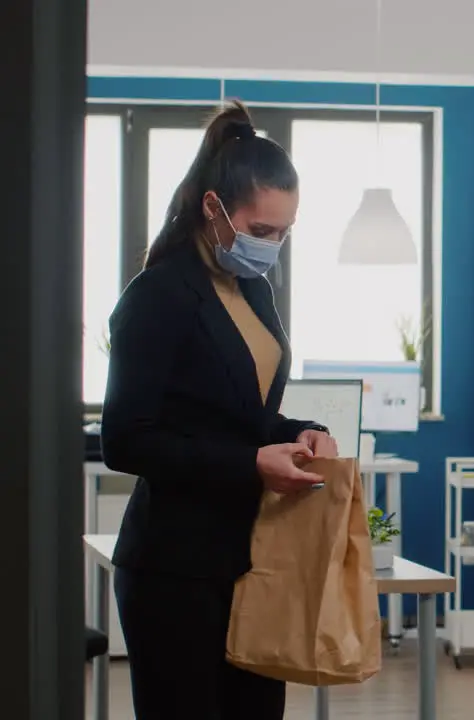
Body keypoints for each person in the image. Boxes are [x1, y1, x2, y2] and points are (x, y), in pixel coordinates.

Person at [101, 101, 338, 720]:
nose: (273, 246)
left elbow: (245, 415)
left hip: (251, 560)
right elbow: (126, 441)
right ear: (214, 209)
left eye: (285, 233)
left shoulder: (254, 290)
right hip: (174, 570)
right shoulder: (157, 296)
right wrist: (250, 463)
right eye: (261, 231)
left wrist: (302, 432)